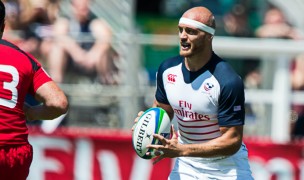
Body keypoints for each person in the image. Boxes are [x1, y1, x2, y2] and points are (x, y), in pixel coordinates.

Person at [134, 6, 253, 179]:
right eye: (180, 30)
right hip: (187, 166)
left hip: (226, 169)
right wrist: (147, 124)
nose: (183, 36)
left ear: (208, 36)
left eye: (191, 31)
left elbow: (232, 141)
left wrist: (182, 150)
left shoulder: (227, 81)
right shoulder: (168, 70)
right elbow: (161, 111)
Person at [0, 1, 69, 179]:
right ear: (3, 26)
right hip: (15, 154)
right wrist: (30, 113)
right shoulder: (23, 58)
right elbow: (59, 103)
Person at [47, 0, 120, 85]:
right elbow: (59, 35)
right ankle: (57, 85)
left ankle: (107, 88)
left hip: (93, 61)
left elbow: (106, 38)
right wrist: (76, 52)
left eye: (86, 6)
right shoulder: (65, 21)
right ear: (73, 6)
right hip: (71, 61)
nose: (83, 10)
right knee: (57, 48)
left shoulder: (95, 22)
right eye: (80, 6)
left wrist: (93, 55)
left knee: (104, 52)